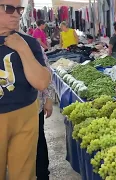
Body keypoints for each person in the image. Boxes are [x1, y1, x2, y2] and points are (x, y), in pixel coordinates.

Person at [0, 1, 51, 180]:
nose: (16, 14)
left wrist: (22, 49)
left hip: (25, 116)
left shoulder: (29, 43)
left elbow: (42, 82)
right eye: (9, 8)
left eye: (19, 9)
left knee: (24, 174)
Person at [36, 48, 54, 180]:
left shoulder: (31, 44)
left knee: (38, 140)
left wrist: (48, 99)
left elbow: (47, 72)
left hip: (34, 105)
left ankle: (42, 174)